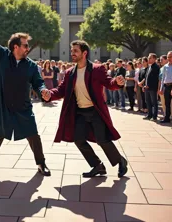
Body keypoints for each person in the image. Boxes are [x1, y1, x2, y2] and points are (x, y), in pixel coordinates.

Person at [0, 11, 51, 177]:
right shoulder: (2, 56)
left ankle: (41, 164)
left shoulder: (30, 65)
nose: (28, 48)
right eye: (25, 45)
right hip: (4, 106)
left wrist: (42, 90)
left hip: (23, 106)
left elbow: (38, 81)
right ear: (16, 47)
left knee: (33, 134)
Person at [42, 40, 128, 178]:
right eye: (72, 51)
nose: (72, 53)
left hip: (96, 112)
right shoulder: (70, 73)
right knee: (78, 139)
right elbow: (61, 90)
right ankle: (97, 165)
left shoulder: (97, 69)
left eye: (75, 51)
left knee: (102, 140)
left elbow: (109, 83)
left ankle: (120, 161)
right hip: (80, 112)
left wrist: (117, 83)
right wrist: (49, 94)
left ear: (84, 53)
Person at [143, 53, 160, 121]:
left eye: (150, 58)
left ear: (154, 59)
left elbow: (155, 79)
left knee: (154, 102)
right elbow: (146, 77)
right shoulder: (149, 66)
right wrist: (145, 85)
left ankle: (154, 116)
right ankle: (149, 115)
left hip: (152, 88)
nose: (148, 59)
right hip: (147, 87)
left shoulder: (156, 67)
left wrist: (149, 85)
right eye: (148, 57)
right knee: (148, 101)